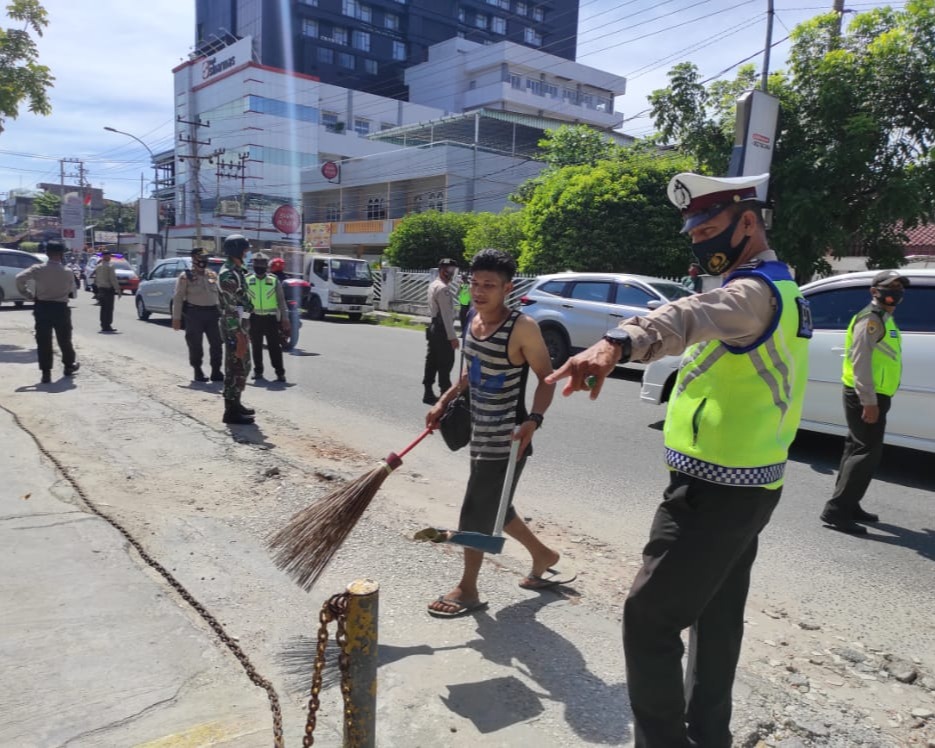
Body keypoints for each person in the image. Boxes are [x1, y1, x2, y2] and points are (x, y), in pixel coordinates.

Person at [548, 172, 811, 748]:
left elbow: (684, 316)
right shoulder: (782, 286)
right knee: (717, 618)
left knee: (649, 619)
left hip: (713, 492)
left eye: (712, 229)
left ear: (749, 221)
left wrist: (615, 343)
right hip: (752, 484)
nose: (701, 244)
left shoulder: (753, 293)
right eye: (694, 234)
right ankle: (710, 735)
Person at [425, 249, 561, 618]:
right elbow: (472, 373)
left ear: (507, 288)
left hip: (510, 440)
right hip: (478, 431)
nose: (481, 291)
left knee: (476, 511)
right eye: (475, 283)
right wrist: (444, 401)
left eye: (490, 285)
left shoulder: (522, 327)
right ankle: (544, 556)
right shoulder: (472, 319)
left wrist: (534, 420)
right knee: (498, 508)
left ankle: (468, 589)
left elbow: (546, 379)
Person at [820, 270, 908, 536]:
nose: (895, 292)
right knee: (867, 452)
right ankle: (837, 510)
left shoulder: (884, 319)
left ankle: (848, 503)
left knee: (855, 449)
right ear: (874, 291)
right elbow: (860, 361)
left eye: (899, 287)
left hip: (875, 394)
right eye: (889, 287)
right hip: (864, 396)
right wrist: (869, 401)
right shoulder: (870, 320)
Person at [15, 240, 80, 384]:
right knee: (64, 340)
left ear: (47, 253)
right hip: (61, 308)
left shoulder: (38, 269)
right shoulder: (68, 272)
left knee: (43, 341)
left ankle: (46, 373)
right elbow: (73, 292)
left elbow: (19, 278)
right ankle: (69, 366)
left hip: (42, 307)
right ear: (61, 254)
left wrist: (28, 294)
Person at [217, 234, 256, 425]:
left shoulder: (238, 271)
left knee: (243, 365)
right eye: (245, 250)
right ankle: (230, 411)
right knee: (235, 367)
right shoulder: (228, 275)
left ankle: (236, 402)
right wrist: (238, 334)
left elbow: (243, 301)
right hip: (234, 326)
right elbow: (230, 307)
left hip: (241, 325)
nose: (247, 253)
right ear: (236, 251)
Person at [172, 247, 223, 383]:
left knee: (217, 343)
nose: (204, 261)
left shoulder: (212, 275)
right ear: (194, 259)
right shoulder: (185, 277)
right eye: (201, 259)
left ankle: (216, 370)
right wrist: (176, 318)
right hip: (194, 314)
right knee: (195, 344)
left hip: (213, 313)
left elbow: (220, 295)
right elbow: (178, 298)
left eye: (206, 259)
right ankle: (197, 370)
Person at [245, 252, 289, 382]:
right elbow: (244, 302)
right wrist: (244, 319)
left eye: (262, 264)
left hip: (271, 319)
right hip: (254, 318)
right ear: (253, 265)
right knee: (256, 346)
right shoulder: (247, 280)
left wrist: (285, 318)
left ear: (266, 266)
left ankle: (280, 373)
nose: (259, 266)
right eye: (257, 264)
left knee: (275, 347)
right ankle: (258, 371)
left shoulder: (273, 280)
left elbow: (281, 302)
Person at [423, 258, 460, 405]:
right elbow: (445, 315)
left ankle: (428, 392)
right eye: (449, 270)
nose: (451, 274)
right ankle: (445, 393)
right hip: (442, 329)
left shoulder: (434, 285)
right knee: (446, 362)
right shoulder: (443, 289)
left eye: (453, 270)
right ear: (442, 270)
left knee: (432, 360)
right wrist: (453, 337)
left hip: (434, 327)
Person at [93, 249, 121, 331]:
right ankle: (107, 325)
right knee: (109, 308)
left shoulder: (98, 266)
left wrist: (98, 288)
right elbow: (113, 279)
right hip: (108, 290)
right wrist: (118, 289)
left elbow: (96, 279)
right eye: (109, 255)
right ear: (107, 256)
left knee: (103, 308)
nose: (110, 257)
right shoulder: (110, 266)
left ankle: (103, 325)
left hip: (101, 289)